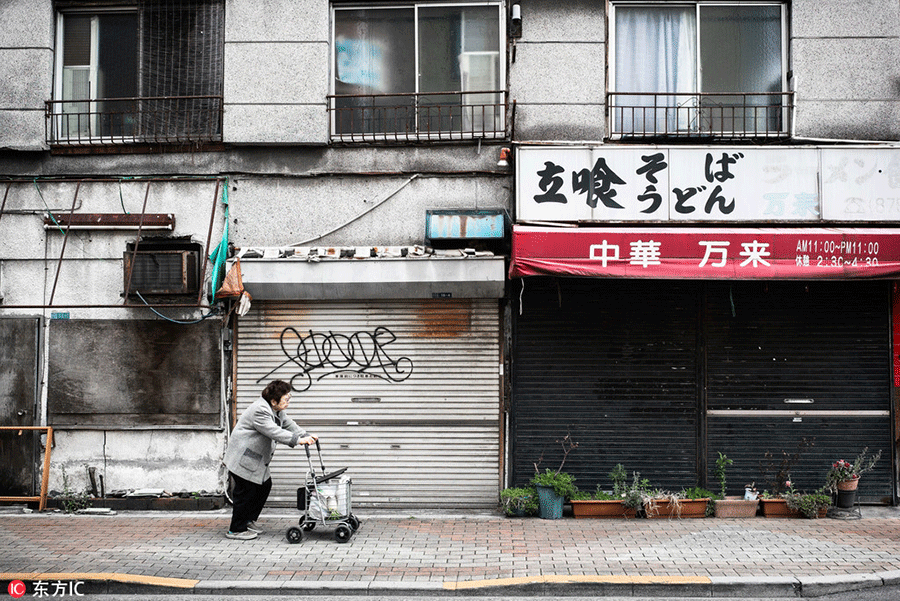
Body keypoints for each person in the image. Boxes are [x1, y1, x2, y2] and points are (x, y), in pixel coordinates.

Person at [223, 379, 316, 540]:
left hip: (255, 459)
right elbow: (273, 431)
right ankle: (236, 529)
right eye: (286, 399)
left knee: (264, 486)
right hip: (243, 458)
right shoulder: (260, 410)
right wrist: (297, 440)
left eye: (289, 398)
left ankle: (248, 521)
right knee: (245, 493)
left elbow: (288, 424)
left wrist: (305, 435)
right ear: (274, 401)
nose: (288, 401)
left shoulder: (276, 410)